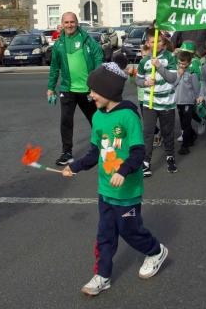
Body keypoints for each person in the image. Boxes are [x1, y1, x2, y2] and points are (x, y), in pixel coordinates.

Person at [62, 58, 168, 296]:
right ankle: (103, 275)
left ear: (108, 91)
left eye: (94, 90)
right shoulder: (98, 118)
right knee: (105, 234)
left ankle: (155, 251)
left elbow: (138, 152)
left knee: (130, 231)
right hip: (106, 190)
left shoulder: (129, 117)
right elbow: (94, 153)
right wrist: (75, 166)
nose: (90, 95)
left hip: (127, 191)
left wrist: (122, 171)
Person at [47, 12, 104, 166]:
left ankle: (101, 148)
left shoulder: (87, 39)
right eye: (66, 22)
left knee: (96, 120)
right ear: (62, 24)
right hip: (68, 89)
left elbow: (99, 55)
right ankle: (67, 153)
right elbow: (54, 67)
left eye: (72, 22)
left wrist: (96, 80)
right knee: (66, 121)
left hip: (88, 90)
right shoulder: (59, 44)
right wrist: (51, 88)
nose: (69, 25)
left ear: (77, 23)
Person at [136, 28, 178, 175]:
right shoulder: (144, 61)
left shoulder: (170, 57)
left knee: (167, 132)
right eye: (153, 41)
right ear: (148, 43)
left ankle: (170, 156)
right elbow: (138, 80)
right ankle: (146, 162)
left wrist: (159, 66)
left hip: (167, 102)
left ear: (163, 42)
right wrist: (145, 83)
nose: (156, 44)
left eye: (159, 41)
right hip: (150, 103)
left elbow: (173, 78)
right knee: (148, 133)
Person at [174, 50, 200, 155]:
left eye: (184, 63)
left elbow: (196, 88)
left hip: (188, 101)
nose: (181, 65)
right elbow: (173, 84)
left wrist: (197, 98)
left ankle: (185, 145)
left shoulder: (191, 74)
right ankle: (192, 135)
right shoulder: (176, 72)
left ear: (189, 63)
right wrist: (178, 75)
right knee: (183, 122)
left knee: (186, 123)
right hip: (178, 101)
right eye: (179, 63)